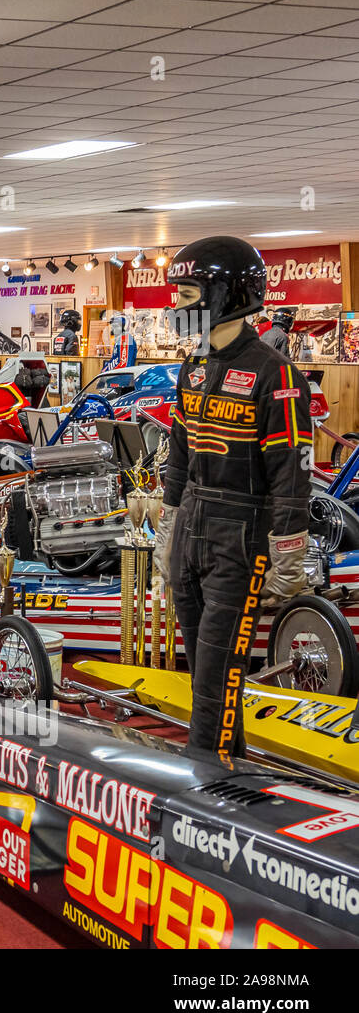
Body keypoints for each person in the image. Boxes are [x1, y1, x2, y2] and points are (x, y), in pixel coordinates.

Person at [153, 236, 312, 763]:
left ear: (228, 293)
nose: (177, 305)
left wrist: (289, 550)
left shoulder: (276, 372)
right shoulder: (192, 366)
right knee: (202, 667)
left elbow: (291, 471)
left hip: (242, 535)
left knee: (216, 676)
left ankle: (203, 793)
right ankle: (230, 774)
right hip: (192, 526)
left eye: (187, 292)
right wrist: (168, 520)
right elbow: (178, 452)